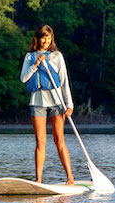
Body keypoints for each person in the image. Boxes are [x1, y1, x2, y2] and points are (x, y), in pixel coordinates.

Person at [20, 24, 75, 185]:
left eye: (48, 38)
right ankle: (38, 179)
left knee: (59, 140)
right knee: (41, 141)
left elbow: (64, 82)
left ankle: (70, 178)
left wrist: (69, 104)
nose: (45, 41)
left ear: (52, 40)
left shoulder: (57, 56)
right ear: (38, 38)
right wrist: (36, 64)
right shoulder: (29, 57)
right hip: (37, 104)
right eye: (43, 37)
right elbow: (23, 78)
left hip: (57, 103)